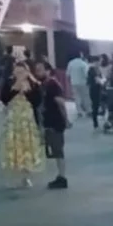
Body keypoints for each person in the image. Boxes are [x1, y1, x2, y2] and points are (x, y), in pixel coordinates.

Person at [0, 61, 44, 187]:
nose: (19, 74)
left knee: (27, 148)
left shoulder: (34, 84)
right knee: (11, 147)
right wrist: (14, 89)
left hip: (28, 121)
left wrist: (28, 92)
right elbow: (4, 99)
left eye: (22, 71)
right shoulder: (9, 83)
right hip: (12, 120)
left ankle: (26, 175)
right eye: (17, 71)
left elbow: (37, 102)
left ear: (27, 72)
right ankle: (11, 175)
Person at [34, 61, 71, 190]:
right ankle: (60, 176)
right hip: (49, 121)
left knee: (58, 150)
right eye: (36, 70)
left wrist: (66, 119)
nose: (37, 72)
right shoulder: (44, 85)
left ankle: (62, 177)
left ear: (48, 70)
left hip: (55, 121)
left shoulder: (52, 85)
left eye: (40, 70)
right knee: (55, 151)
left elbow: (60, 102)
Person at [67, 50, 90, 116]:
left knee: (77, 97)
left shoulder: (70, 63)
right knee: (85, 97)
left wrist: (70, 82)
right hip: (83, 83)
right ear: (80, 55)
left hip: (74, 83)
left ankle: (79, 111)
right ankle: (88, 110)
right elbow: (86, 74)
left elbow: (68, 74)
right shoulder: (83, 63)